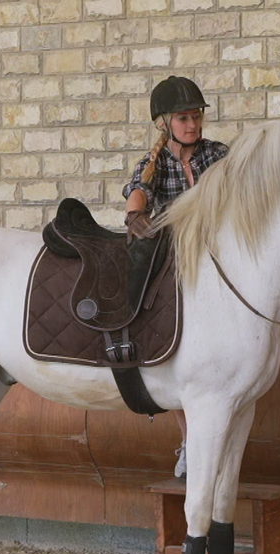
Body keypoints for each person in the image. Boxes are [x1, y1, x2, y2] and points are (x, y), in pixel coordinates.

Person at [122, 75, 229, 479]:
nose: (193, 125)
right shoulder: (154, 163)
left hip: (217, 254)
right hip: (177, 258)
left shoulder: (218, 154)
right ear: (165, 123)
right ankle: (189, 441)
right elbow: (138, 191)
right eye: (184, 118)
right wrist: (136, 214)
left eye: (197, 116)